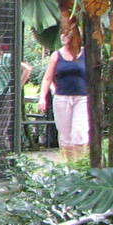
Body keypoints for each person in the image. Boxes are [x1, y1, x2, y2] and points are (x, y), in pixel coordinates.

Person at [38, 20, 89, 163]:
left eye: (66, 34)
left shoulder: (86, 53)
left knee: (79, 133)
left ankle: (81, 163)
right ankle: (70, 165)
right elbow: (47, 78)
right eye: (62, 34)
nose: (62, 36)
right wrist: (43, 97)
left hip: (82, 98)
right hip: (62, 98)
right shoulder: (56, 55)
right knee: (65, 136)